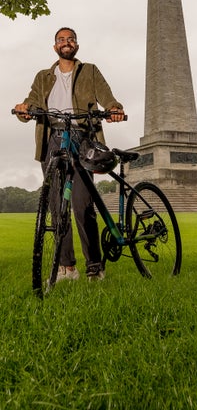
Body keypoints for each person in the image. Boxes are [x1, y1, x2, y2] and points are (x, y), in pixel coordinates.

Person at [14, 27, 125, 282]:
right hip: (53, 139)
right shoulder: (43, 76)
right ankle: (66, 267)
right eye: (61, 40)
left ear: (76, 45)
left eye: (71, 39)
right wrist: (24, 109)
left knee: (82, 204)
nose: (66, 42)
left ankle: (95, 266)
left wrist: (114, 108)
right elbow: (31, 102)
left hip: (82, 138)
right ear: (55, 47)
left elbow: (108, 97)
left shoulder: (90, 71)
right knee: (56, 205)